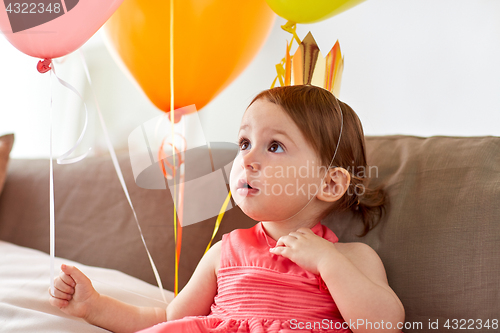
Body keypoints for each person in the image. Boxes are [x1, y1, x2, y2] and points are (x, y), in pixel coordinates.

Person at [49, 85, 405, 333]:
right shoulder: (225, 252)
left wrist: (327, 262)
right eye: (245, 142)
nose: (247, 158)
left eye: (275, 146)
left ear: (329, 184)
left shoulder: (350, 259)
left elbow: (385, 325)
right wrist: (94, 306)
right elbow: (168, 317)